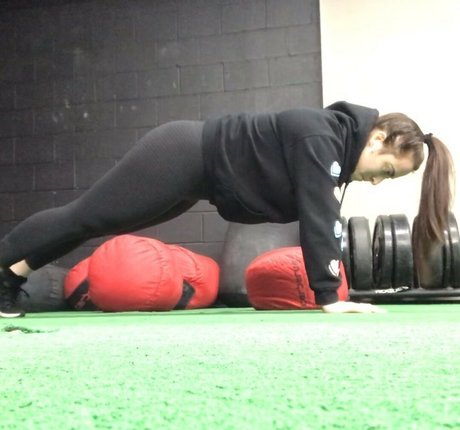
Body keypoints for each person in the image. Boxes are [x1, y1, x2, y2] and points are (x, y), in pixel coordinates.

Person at [0, 101, 453, 318]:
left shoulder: (332, 144)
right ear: (377, 139)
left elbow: (322, 212)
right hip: (183, 154)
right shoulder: (321, 138)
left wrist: (330, 291)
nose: (376, 182)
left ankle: (12, 276)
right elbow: (320, 215)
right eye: (385, 170)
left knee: (96, 222)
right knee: (86, 216)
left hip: (197, 179)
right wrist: (329, 297)